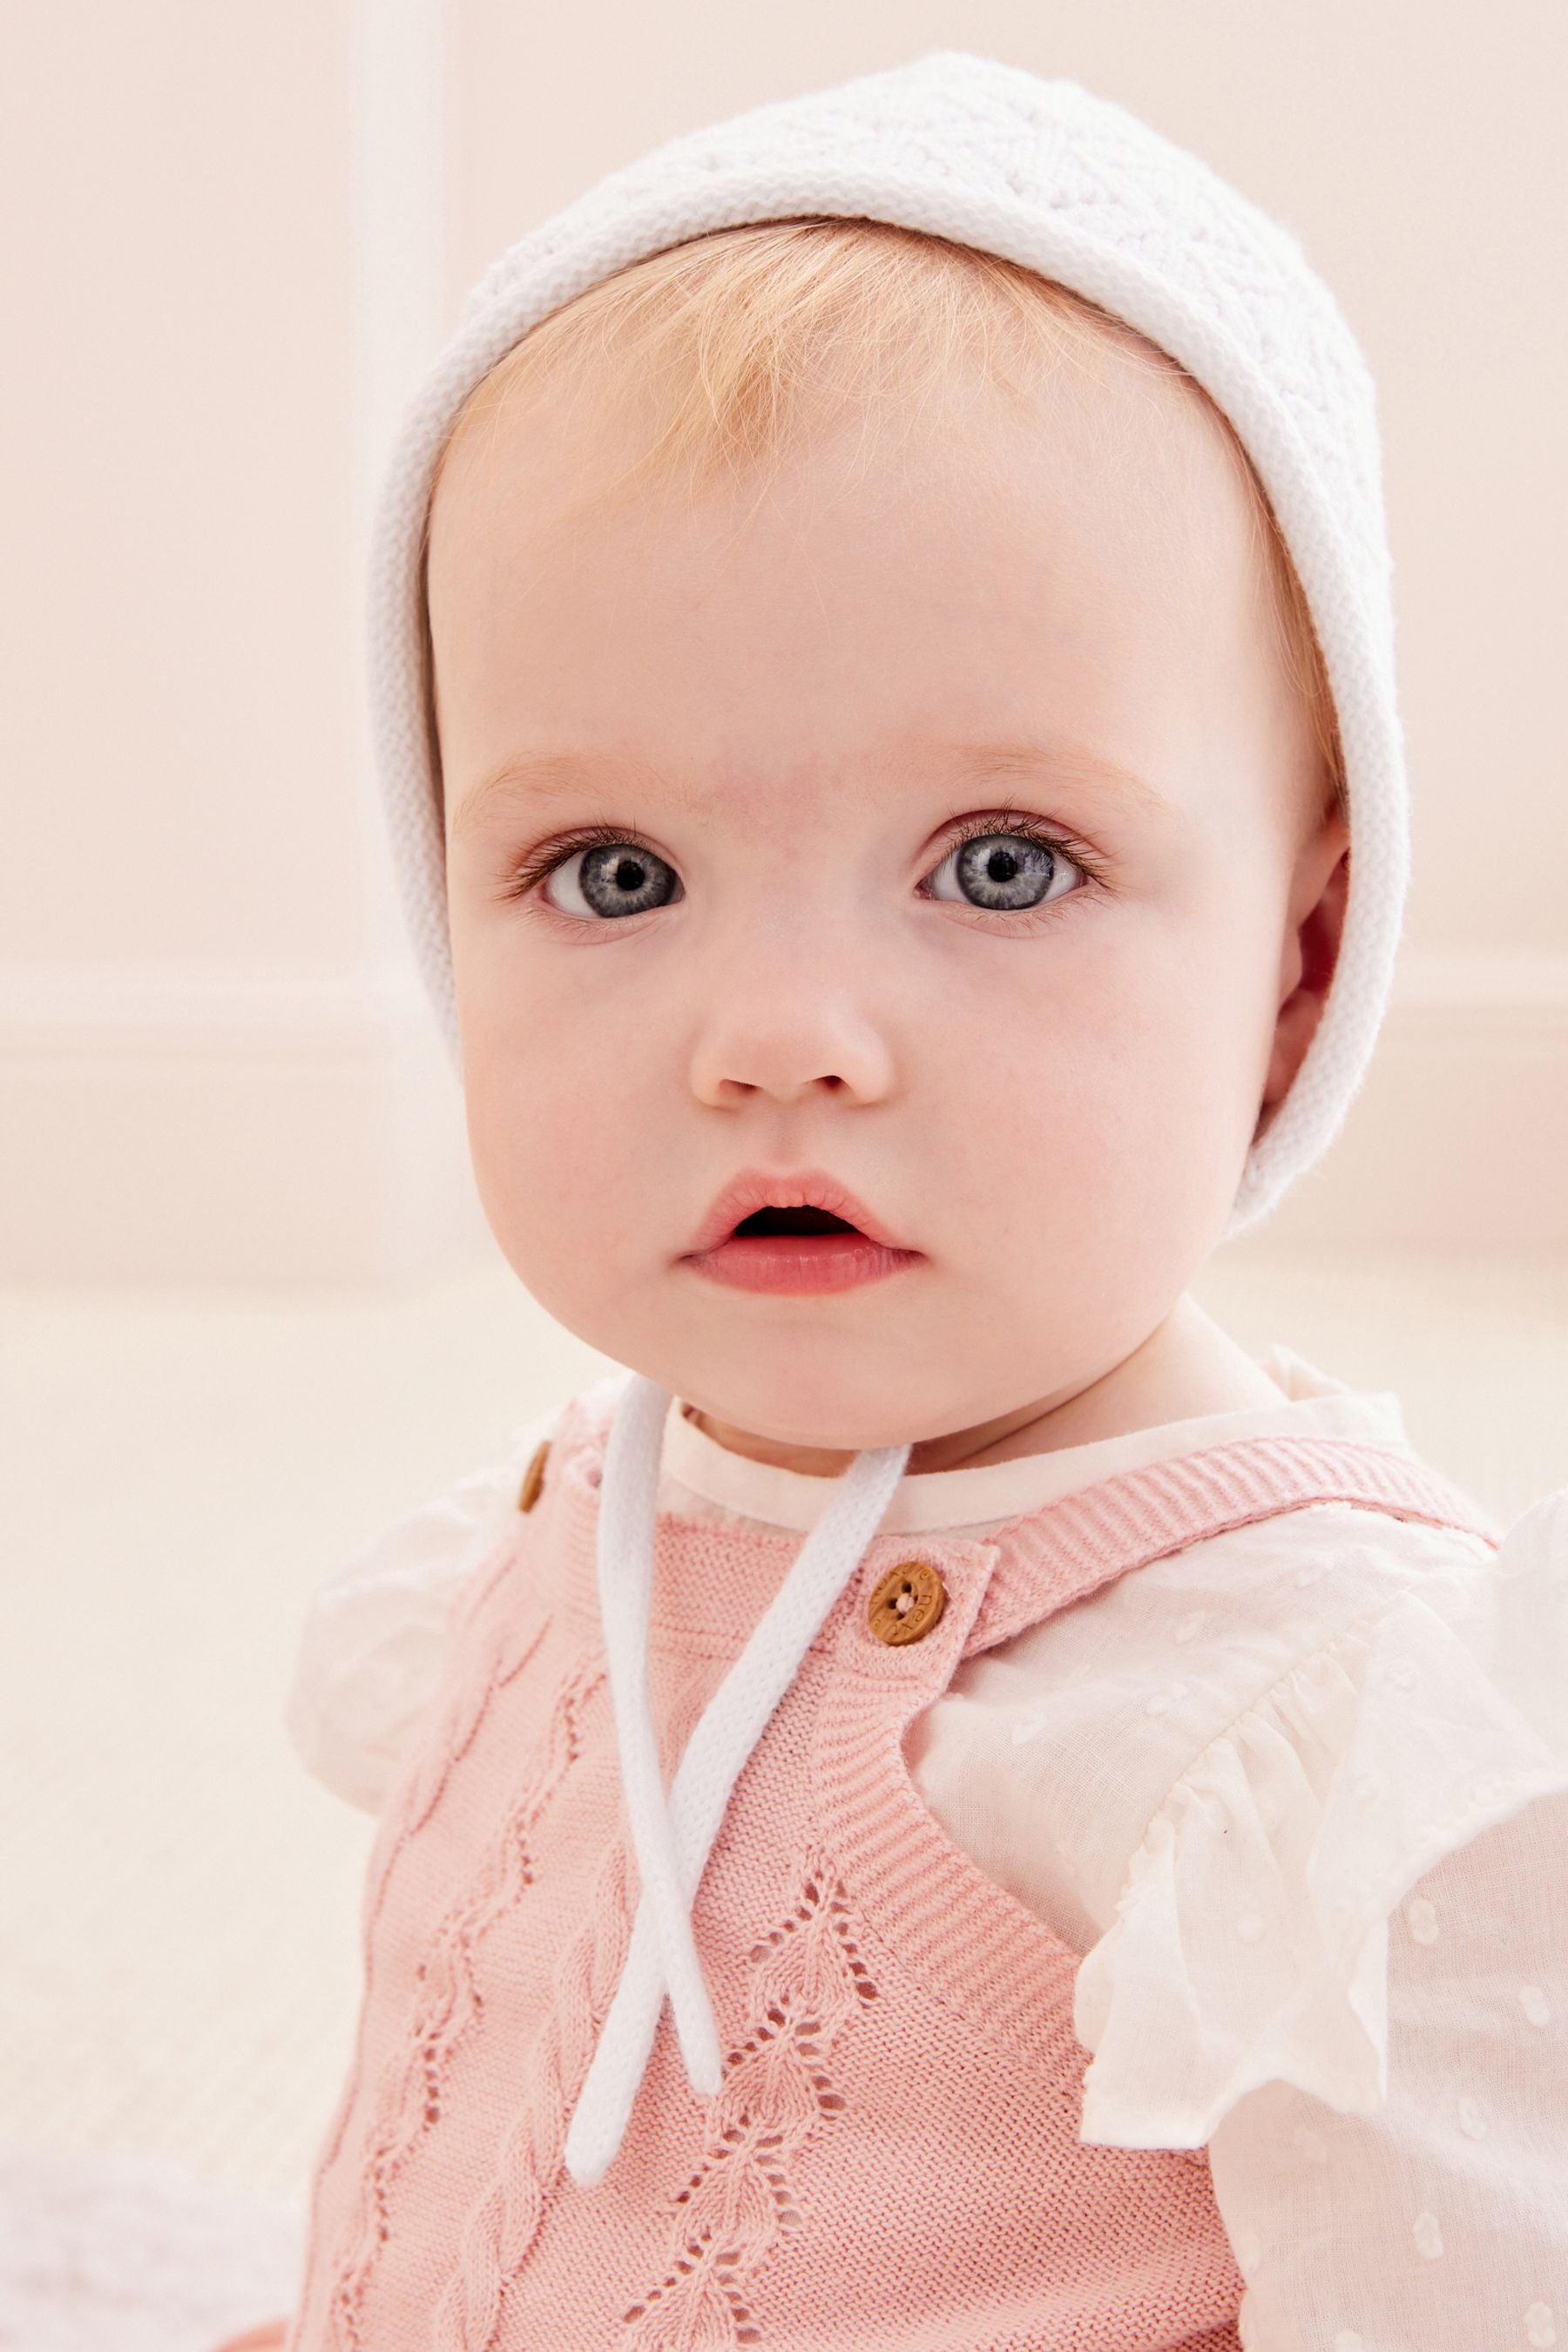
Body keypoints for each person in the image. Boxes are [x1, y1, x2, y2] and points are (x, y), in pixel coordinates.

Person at [231, 51, 1568, 2352]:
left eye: (1003, 864)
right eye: (612, 871)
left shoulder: (1304, 1720)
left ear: (1297, 969)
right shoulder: (570, 1523)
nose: (781, 1035)